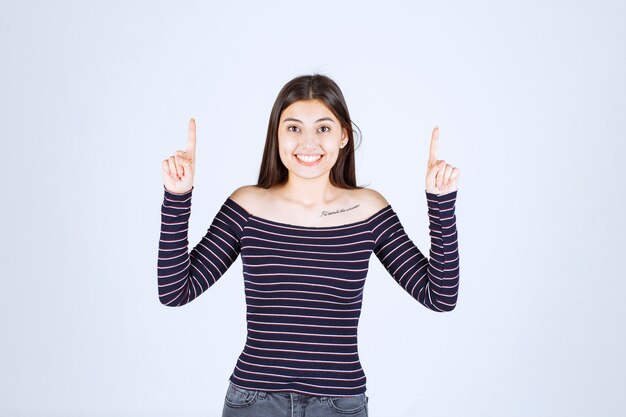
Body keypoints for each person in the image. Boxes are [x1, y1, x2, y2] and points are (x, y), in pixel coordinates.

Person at [158, 74, 460, 416]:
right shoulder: (247, 206)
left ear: (344, 135)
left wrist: (440, 202)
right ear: (277, 135)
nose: (308, 142)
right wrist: (178, 197)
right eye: (293, 128)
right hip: (254, 401)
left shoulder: (368, 210)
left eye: (323, 128)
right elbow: (174, 291)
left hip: (338, 404)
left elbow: (440, 296)